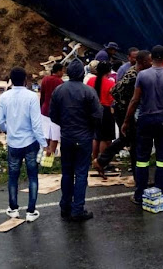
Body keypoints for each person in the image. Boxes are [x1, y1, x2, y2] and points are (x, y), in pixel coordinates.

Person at [123, 45, 163, 204]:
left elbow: (135, 100)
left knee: (142, 158)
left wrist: (126, 121)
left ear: (152, 57)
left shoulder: (142, 76)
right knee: (162, 158)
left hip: (145, 119)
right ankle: (161, 192)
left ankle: (140, 194)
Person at [50, 58, 102, 222]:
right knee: (80, 173)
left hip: (67, 137)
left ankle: (65, 206)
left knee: (67, 172)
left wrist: (66, 125)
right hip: (84, 137)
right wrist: (89, 128)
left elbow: (53, 116)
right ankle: (77, 209)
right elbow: (97, 116)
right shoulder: (89, 91)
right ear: (82, 74)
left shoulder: (58, 90)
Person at [0, 67, 48, 222]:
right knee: (32, 176)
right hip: (30, 142)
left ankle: (13, 209)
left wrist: (7, 131)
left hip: (13, 143)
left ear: (11, 80)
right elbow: (36, 124)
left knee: (13, 177)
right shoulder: (32, 97)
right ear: (25, 80)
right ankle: (31, 212)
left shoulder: (4, 97)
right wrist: (43, 143)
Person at [94, 50, 152, 175]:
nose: (152, 63)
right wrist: (124, 104)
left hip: (128, 110)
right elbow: (114, 91)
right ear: (143, 62)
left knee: (130, 140)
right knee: (128, 138)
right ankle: (101, 160)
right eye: (150, 60)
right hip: (124, 111)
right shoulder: (132, 76)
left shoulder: (138, 72)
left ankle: (136, 172)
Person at [87, 61, 115, 161]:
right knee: (105, 138)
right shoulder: (110, 83)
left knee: (96, 136)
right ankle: (102, 160)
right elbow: (112, 99)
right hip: (105, 111)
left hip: (92, 110)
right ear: (108, 71)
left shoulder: (90, 81)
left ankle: (94, 158)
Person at [39, 63, 64, 156]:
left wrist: (41, 107)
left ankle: (44, 153)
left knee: (46, 134)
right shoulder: (60, 82)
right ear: (58, 71)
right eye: (62, 71)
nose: (63, 73)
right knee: (55, 136)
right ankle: (50, 156)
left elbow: (42, 95)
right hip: (56, 112)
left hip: (45, 110)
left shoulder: (45, 79)